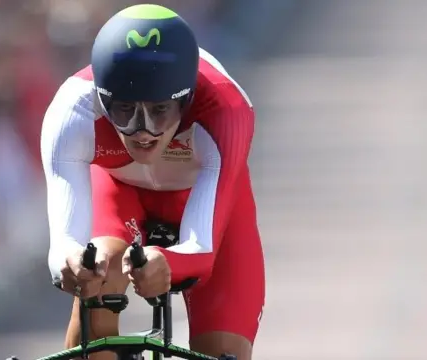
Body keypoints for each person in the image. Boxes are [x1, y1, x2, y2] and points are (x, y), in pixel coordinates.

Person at [41, 4, 264, 360]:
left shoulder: (226, 110)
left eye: (160, 110)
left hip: (200, 201)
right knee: (99, 272)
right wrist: (74, 264)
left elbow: (201, 250)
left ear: (187, 99)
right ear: (100, 99)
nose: (143, 131)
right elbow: (63, 247)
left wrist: (171, 263)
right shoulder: (71, 111)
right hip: (120, 192)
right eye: (124, 110)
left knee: (224, 351)